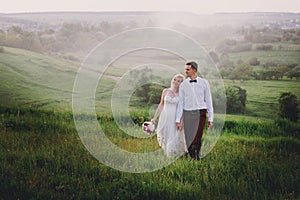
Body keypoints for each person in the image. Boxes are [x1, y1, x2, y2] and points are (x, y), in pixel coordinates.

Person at [175, 61, 213, 160]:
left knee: (197, 136)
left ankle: (195, 158)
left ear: (194, 70)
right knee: (188, 137)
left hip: (200, 113)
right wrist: (178, 120)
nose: (185, 71)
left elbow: (209, 101)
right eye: (185, 69)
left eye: (188, 69)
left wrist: (211, 118)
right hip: (187, 113)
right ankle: (192, 156)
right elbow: (180, 103)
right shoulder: (183, 85)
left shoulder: (204, 83)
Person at [151, 74, 187, 157]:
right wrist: (154, 118)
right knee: (164, 134)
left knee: (175, 135)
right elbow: (161, 105)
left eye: (179, 81)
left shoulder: (182, 94)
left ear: (181, 84)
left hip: (176, 118)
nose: (176, 82)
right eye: (175, 79)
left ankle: (173, 154)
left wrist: (181, 121)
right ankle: (167, 152)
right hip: (165, 117)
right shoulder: (165, 91)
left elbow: (183, 109)